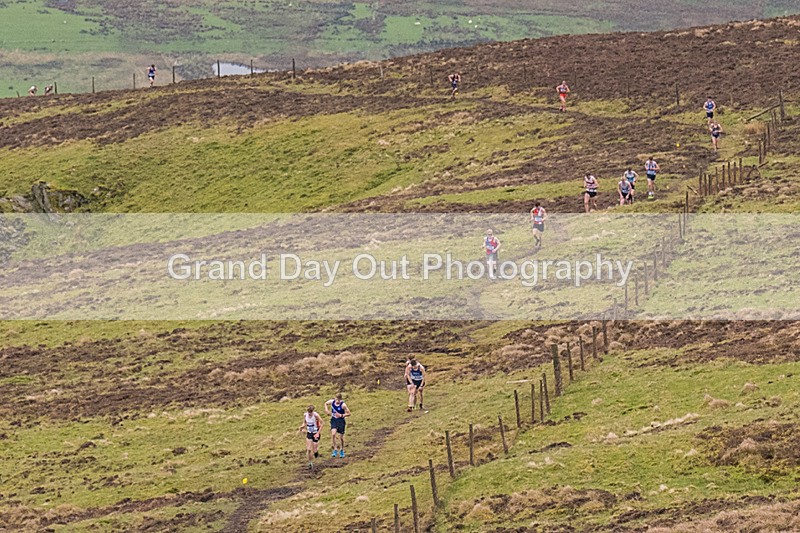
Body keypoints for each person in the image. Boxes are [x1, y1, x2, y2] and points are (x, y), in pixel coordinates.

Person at [324, 393, 350, 458]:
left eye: (338, 400)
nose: (337, 401)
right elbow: (326, 403)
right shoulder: (332, 402)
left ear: (340, 399)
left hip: (341, 421)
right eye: (336, 399)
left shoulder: (343, 405)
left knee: (341, 437)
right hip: (334, 420)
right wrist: (326, 410)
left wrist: (341, 415)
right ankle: (335, 449)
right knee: (333, 434)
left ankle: (342, 450)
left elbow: (349, 413)